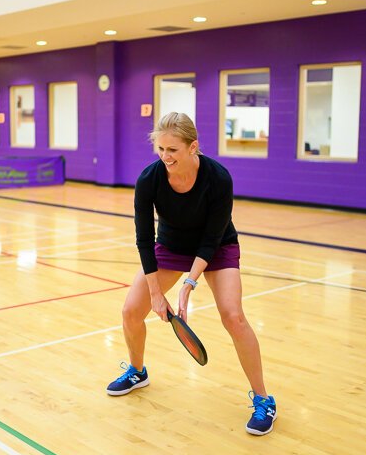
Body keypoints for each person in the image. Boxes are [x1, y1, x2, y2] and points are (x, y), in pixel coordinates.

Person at [105, 112, 277, 436]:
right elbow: (144, 239)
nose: (165, 157)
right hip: (171, 245)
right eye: (160, 149)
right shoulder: (149, 180)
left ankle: (264, 399)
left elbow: (212, 238)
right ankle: (137, 371)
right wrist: (157, 293)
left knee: (233, 316)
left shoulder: (218, 178)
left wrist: (188, 284)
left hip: (217, 246)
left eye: (172, 150)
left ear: (192, 147)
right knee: (130, 311)